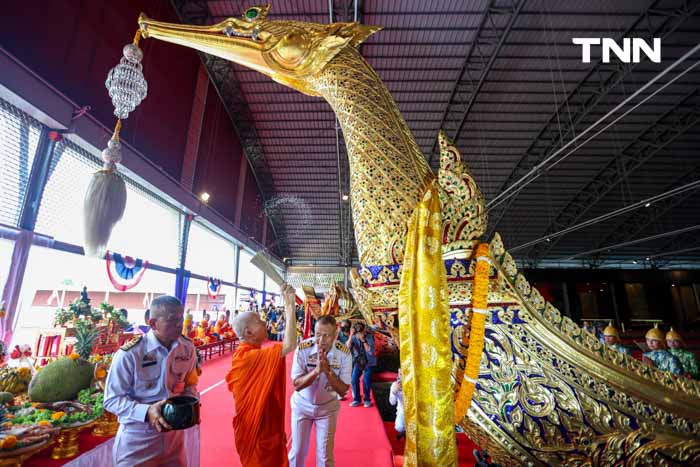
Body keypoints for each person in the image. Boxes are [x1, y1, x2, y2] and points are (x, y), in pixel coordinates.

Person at [104, 295, 198, 467]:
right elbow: (111, 400)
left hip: (174, 439)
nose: (180, 325)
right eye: (172, 320)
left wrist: (191, 403)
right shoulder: (130, 354)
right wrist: (147, 411)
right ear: (153, 323)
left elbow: (190, 383)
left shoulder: (187, 347)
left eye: (181, 319)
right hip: (138, 439)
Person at [226, 284, 298, 467]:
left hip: (268, 425)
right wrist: (290, 305)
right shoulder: (248, 357)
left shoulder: (252, 354)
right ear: (248, 332)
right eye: (259, 321)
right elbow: (289, 345)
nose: (264, 322)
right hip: (256, 430)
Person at [288, 315, 351, 467]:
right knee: (297, 451)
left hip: (327, 408)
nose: (321, 340)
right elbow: (296, 384)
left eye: (326, 335)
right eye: (317, 334)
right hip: (302, 405)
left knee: (325, 455)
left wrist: (328, 372)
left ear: (336, 334)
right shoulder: (304, 348)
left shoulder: (344, 353)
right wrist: (316, 371)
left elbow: (343, 390)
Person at [349, 322, 376, 407]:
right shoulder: (353, 337)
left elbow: (370, 352)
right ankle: (357, 399)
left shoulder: (369, 337)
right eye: (360, 333)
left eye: (363, 332)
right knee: (353, 380)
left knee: (366, 381)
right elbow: (347, 346)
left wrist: (364, 340)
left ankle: (367, 400)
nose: (362, 334)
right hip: (358, 362)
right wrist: (350, 335)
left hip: (369, 362)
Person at [389, 370, 404, 440]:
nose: (400, 376)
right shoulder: (395, 384)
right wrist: (394, 392)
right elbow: (392, 403)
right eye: (399, 374)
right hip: (402, 410)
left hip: (415, 410)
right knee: (399, 427)